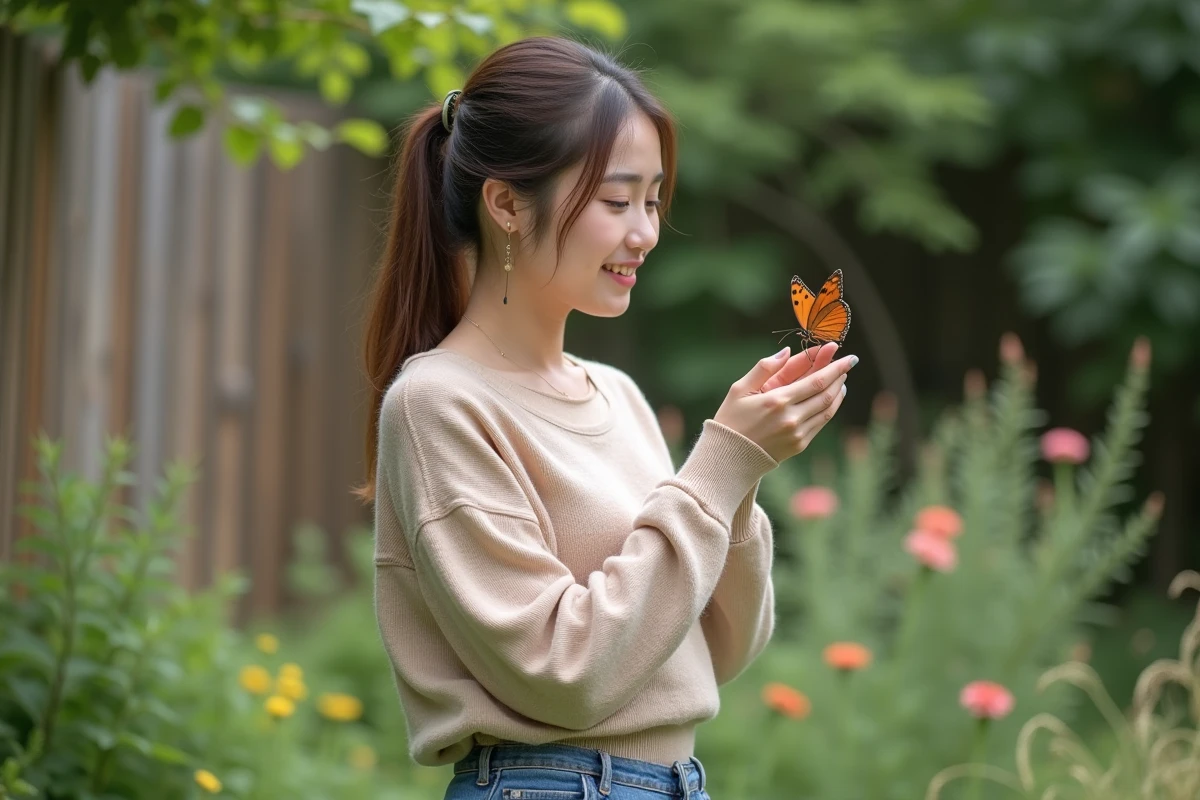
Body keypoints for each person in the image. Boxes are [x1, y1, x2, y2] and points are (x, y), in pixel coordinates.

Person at [354, 35, 858, 800]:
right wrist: (723, 461)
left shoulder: (617, 395)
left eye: (653, 200)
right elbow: (567, 675)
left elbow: (718, 647)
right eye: (617, 201)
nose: (645, 232)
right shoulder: (439, 403)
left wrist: (741, 474)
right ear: (506, 205)